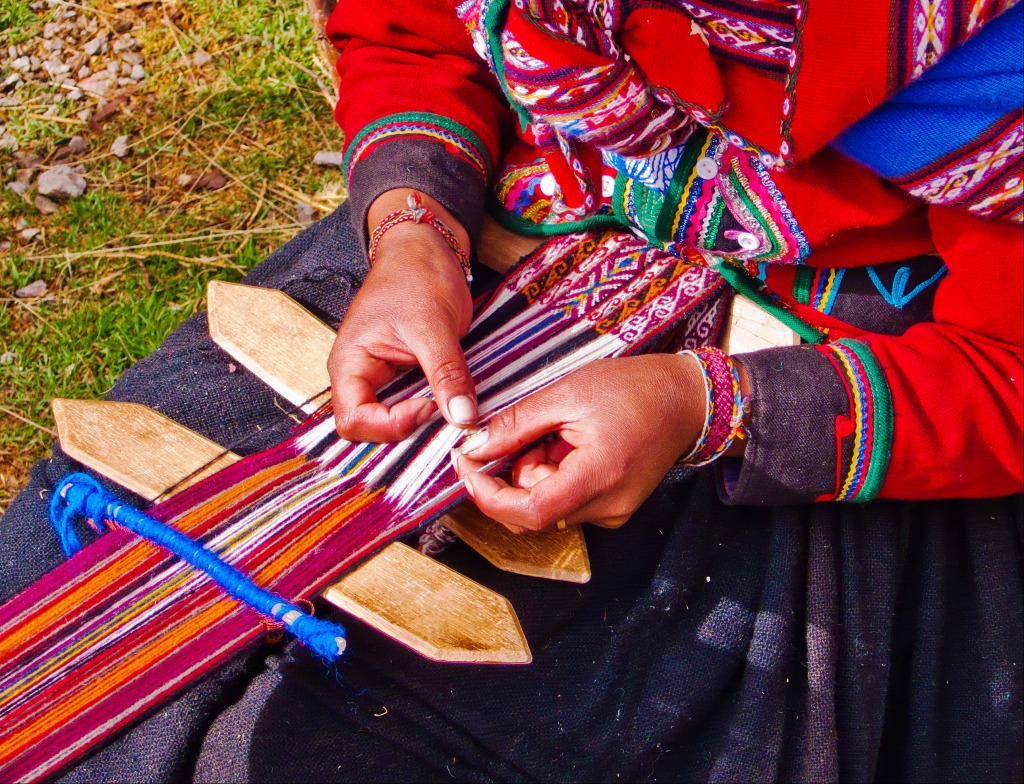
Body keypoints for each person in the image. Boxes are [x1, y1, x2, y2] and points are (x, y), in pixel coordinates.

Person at [1, 0, 1021, 780]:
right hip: (503, 248)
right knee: (73, 568)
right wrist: (410, 227)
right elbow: (410, 30)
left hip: (840, 364)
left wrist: (703, 407)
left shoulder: (982, 51)